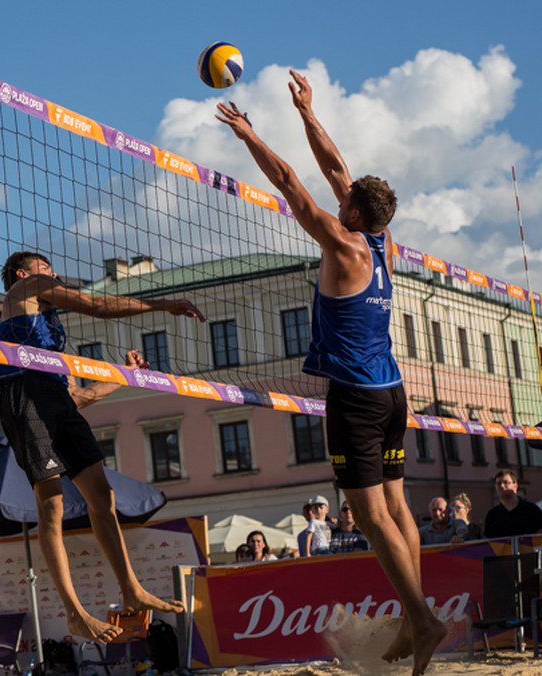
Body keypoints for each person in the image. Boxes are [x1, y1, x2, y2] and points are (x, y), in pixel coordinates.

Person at [217, 70, 446, 675]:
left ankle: (420, 620)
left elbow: (293, 183)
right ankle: (410, 620)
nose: (337, 194)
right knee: (397, 510)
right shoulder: (379, 241)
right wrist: (307, 112)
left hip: (358, 399)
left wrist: (248, 133)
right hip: (393, 393)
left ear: (351, 210)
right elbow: (334, 166)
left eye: (343, 196)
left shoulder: (342, 245)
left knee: (370, 518)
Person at [0, 251, 202, 643]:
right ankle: (74, 612)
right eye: (47, 269)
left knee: (103, 496)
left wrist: (126, 376)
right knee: (52, 505)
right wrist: (162, 305)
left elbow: (78, 398)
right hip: (24, 396)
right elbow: (97, 305)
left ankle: (130, 587)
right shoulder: (24, 288)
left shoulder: (47, 341)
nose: (54, 274)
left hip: (53, 396)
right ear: (23, 274)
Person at [484, 470, 542, 537]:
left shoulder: (531, 510)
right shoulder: (492, 515)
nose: (502, 486)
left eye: (506, 482)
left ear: (515, 485)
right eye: (498, 483)